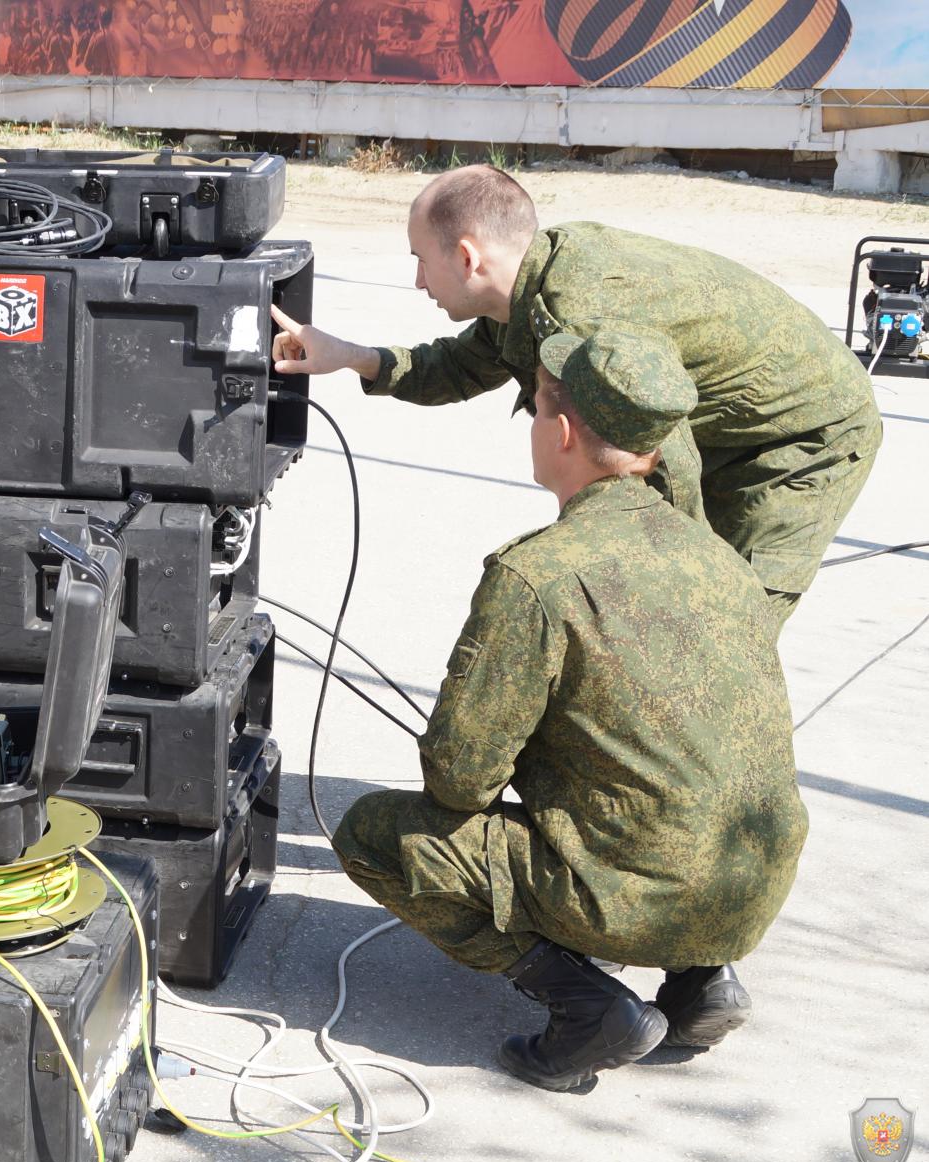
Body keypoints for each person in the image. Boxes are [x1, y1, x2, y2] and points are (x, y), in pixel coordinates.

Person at [332, 327, 808, 1092]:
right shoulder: (717, 556)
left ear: (559, 432)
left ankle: (588, 1007)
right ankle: (702, 983)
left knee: (376, 833)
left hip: (638, 890)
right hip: (752, 885)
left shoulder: (540, 574)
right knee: (664, 792)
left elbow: (459, 780)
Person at [270, 164, 881, 629]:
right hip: (729, 427)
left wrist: (677, 585)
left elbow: (668, 462)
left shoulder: (585, 319)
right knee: (650, 619)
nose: (417, 281)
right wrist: (346, 355)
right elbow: (458, 367)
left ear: (466, 256)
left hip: (803, 441)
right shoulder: (532, 287)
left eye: (421, 262)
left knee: (714, 628)